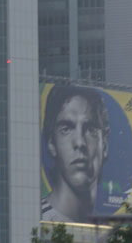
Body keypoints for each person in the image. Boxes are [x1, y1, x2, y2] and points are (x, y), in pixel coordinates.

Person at [41, 85, 110, 223]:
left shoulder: (116, 233)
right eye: (66, 129)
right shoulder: (35, 222)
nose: (80, 142)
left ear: (104, 145)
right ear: (51, 143)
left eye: (90, 129)